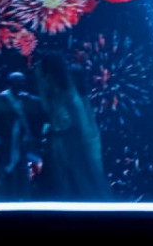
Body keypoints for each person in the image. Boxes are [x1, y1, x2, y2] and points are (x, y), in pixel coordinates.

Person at [34, 52, 109, 200]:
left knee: (80, 183)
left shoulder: (70, 95)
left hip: (74, 146)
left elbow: (82, 124)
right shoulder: (58, 93)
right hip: (64, 146)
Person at [0, 71, 40, 201]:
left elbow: (36, 107)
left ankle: (24, 198)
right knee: (6, 169)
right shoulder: (2, 98)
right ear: (11, 84)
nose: (21, 85)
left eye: (22, 82)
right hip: (6, 141)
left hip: (22, 142)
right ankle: (5, 198)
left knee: (23, 170)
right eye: (18, 82)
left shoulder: (26, 98)